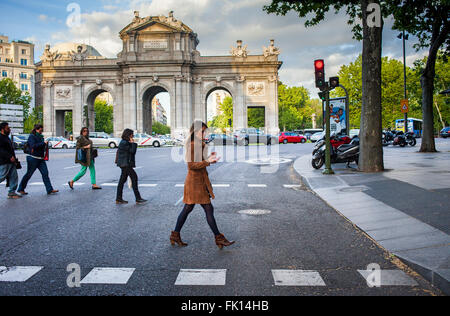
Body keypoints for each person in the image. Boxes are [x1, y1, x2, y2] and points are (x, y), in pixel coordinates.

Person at [170, 120, 235, 250]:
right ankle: (219, 238)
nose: (204, 133)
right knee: (207, 208)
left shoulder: (199, 144)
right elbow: (191, 165)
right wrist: (207, 161)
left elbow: (201, 162)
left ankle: (175, 235)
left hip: (199, 181)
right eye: (202, 130)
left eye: (205, 130)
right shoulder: (193, 145)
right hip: (195, 183)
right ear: (195, 131)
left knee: (188, 209)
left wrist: (210, 159)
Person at [18, 124, 58, 195]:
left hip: (40, 159)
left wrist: (44, 145)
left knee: (45, 173)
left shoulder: (40, 137)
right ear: (37, 129)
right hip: (33, 158)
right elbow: (33, 146)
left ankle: (49, 189)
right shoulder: (32, 136)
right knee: (29, 174)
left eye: (42, 130)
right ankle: (21, 188)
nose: (41, 131)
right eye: (40, 130)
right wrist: (43, 143)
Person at [115, 128, 147, 205]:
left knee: (122, 181)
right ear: (128, 135)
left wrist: (132, 143)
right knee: (134, 178)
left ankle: (119, 198)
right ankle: (138, 198)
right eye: (132, 134)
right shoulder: (124, 143)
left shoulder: (125, 142)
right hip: (125, 164)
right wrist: (133, 143)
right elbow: (132, 152)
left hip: (125, 164)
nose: (133, 135)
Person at [0, 122, 21, 199]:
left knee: (13, 177)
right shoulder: (1, 137)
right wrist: (9, 157)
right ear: (2, 129)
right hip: (4, 161)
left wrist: (14, 159)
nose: (9, 129)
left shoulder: (6, 137)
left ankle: (12, 192)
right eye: (7, 128)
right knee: (1, 176)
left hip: (11, 161)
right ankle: (12, 192)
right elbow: (1, 150)